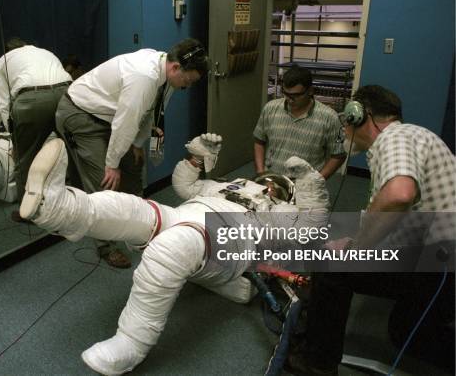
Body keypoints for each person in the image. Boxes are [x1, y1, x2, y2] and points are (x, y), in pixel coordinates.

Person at [17, 131, 331, 375]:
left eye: (278, 188)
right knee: (133, 209)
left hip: (228, 242)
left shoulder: (278, 213)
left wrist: (312, 186)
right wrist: (196, 160)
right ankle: (57, 209)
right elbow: (184, 186)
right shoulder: (223, 186)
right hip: (183, 217)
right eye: (268, 182)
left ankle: (130, 343)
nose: (269, 187)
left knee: (171, 248)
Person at [286, 85, 456, 376]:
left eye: (347, 118)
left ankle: (317, 364)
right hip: (439, 262)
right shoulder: (414, 137)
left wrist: (354, 249)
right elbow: (393, 214)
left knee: (330, 267)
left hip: (440, 265)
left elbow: (399, 194)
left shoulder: (395, 137)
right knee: (406, 333)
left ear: (358, 115)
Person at [55, 38, 209, 267]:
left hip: (110, 117)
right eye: (187, 80)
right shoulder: (144, 77)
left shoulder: (165, 71)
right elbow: (125, 123)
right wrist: (112, 164)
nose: (187, 86)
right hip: (81, 114)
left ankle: (139, 223)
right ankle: (106, 246)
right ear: (176, 67)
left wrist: (137, 144)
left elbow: (151, 110)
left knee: (134, 165)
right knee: (104, 181)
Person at [0, 37, 72, 218]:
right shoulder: (46, 52)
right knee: (72, 153)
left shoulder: (3, 61)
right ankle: (75, 204)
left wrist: (14, 139)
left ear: (7, 50)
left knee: (25, 159)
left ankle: (28, 212)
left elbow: (4, 103)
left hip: (32, 100)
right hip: (66, 94)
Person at [253, 65, 346, 179]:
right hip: (272, 180)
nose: (290, 99)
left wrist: (317, 181)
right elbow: (259, 141)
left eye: (296, 95)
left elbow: (338, 154)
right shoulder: (270, 108)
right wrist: (261, 173)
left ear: (310, 91)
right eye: (286, 94)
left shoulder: (329, 118)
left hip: (306, 186)